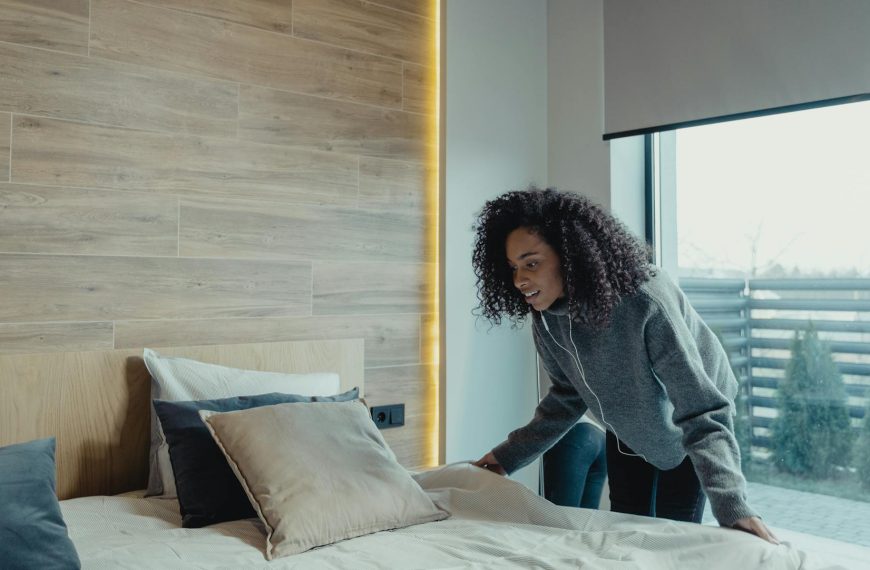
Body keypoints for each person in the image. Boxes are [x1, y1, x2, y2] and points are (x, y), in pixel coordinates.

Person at [470, 188, 777, 543]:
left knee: (672, 547)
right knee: (626, 542)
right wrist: (505, 457)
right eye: (514, 267)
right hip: (628, 432)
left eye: (532, 263)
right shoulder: (546, 317)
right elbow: (568, 396)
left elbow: (701, 411)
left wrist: (734, 507)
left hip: (687, 433)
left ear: (570, 255)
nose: (520, 279)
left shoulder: (645, 303)